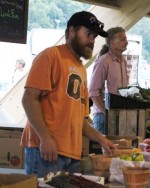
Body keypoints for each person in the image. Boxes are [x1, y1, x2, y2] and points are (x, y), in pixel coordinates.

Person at [20, 11, 117, 178]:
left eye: (94, 36)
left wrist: (101, 139)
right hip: (46, 152)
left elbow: (80, 120)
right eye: (88, 34)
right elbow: (29, 99)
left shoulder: (80, 69)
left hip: (71, 155)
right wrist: (45, 139)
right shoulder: (50, 56)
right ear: (72, 31)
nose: (92, 40)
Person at [89, 27, 129, 134]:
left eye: (126, 39)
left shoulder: (123, 61)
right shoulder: (103, 61)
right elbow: (93, 92)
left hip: (119, 114)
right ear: (111, 42)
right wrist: (107, 113)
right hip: (103, 117)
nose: (126, 42)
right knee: (103, 150)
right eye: (122, 39)